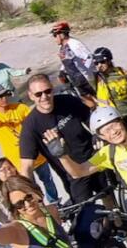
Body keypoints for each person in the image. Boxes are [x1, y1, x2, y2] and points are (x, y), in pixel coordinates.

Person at [50, 106, 127, 213]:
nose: (113, 132)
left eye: (114, 125)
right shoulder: (108, 153)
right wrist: (62, 156)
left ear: (121, 122)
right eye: (106, 130)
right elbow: (78, 173)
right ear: (101, 136)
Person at [18, 74, 108, 203]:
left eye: (47, 91)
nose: (44, 97)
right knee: (86, 213)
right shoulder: (30, 126)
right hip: (72, 174)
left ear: (52, 89)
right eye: (38, 94)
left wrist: (97, 133)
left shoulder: (67, 101)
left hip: (93, 159)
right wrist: (27, 194)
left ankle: (117, 223)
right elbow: (26, 166)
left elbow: (91, 119)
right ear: (31, 96)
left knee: (109, 198)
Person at [90, 48, 127, 131]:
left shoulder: (120, 71)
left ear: (109, 61)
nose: (99, 65)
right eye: (96, 63)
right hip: (116, 118)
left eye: (102, 62)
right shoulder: (98, 79)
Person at [50, 20, 95, 97]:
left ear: (61, 34)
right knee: (86, 101)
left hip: (85, 79)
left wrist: (87, 75)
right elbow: (67, 60)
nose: (54, 38)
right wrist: (62, 71)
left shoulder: (75, 45)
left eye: (55, 35)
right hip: (76, 79)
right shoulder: (63, 47)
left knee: (96, 99)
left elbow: (89, 58)